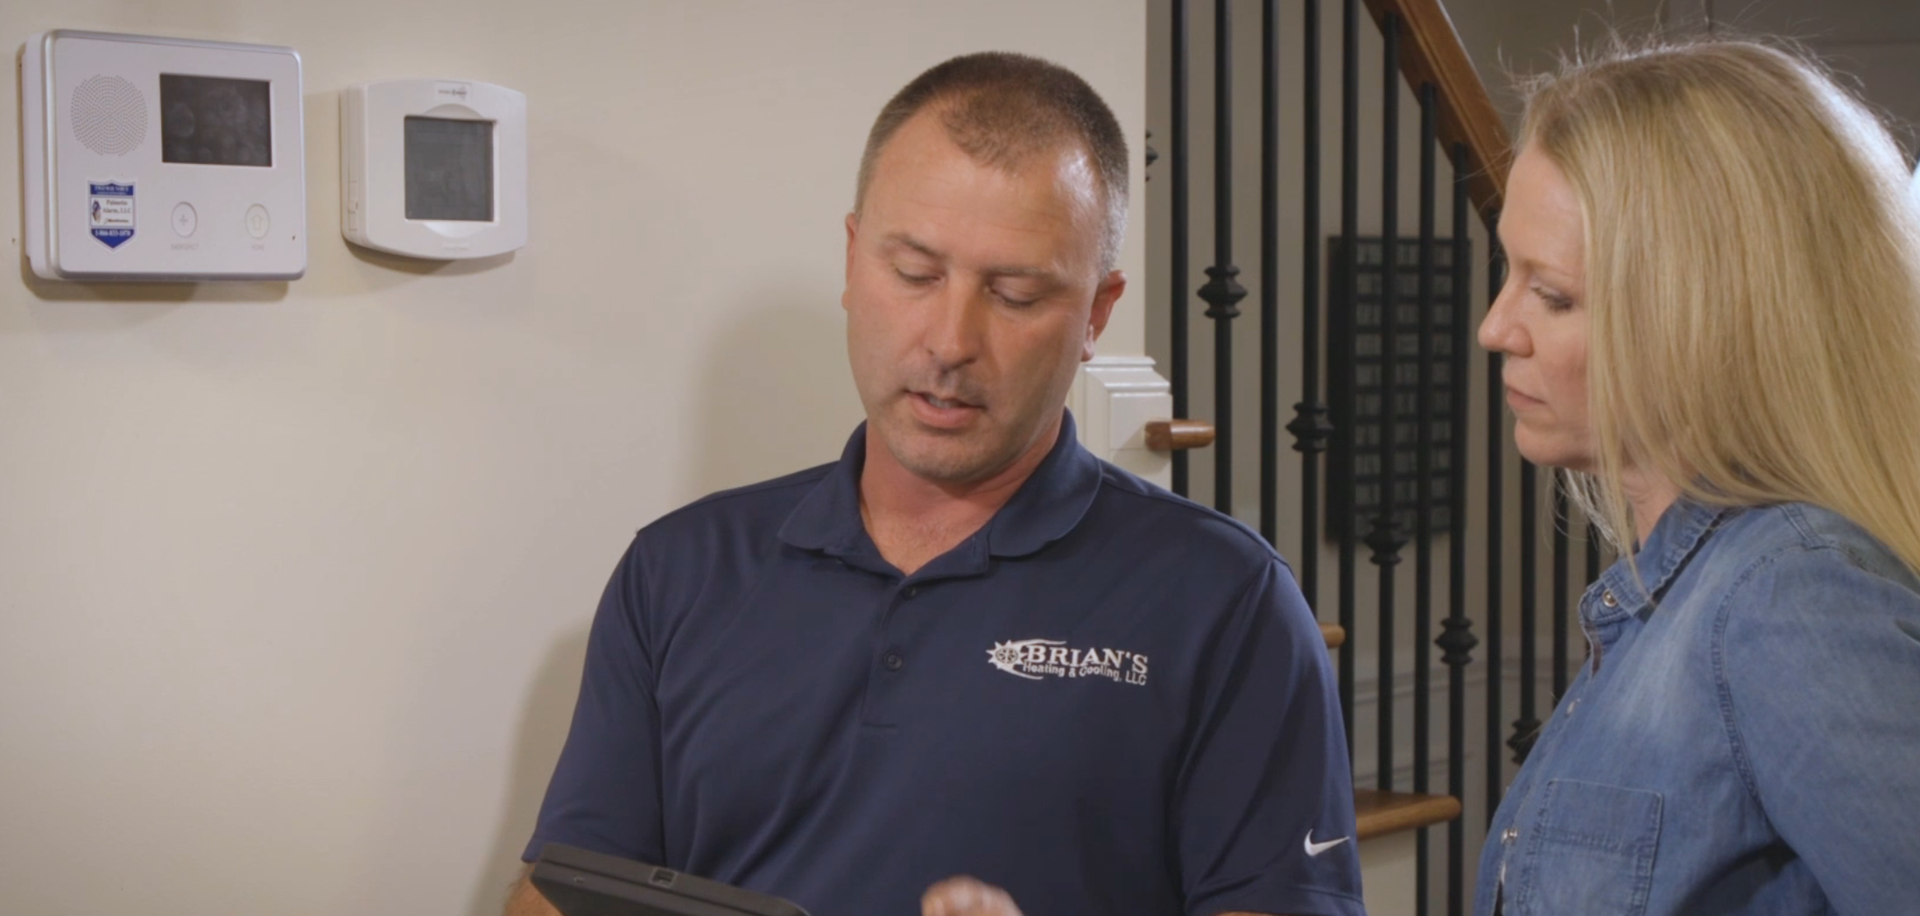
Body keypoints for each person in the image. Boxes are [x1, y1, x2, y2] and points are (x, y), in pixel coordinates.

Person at [503, 52, 1364, 916]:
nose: (950, 340)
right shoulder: (677, 571)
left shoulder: (1227, 602)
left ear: (1098, 313)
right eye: (914, 274)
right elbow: (560, 895)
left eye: (1017, 294)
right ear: (851, 261)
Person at [1474, 37, 1920, 916]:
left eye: (1553, 295)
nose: (1497, 328)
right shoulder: (1669, 596)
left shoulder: (1794, 600)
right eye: (1509, 272)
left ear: (1703, 317)